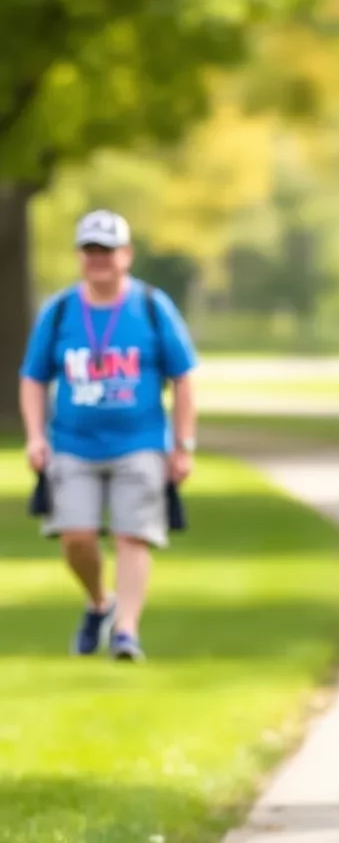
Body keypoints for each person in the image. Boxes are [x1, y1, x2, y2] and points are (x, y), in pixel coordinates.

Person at [19, 210, 198, 661]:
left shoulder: (153, 307)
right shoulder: (59, 311)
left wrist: (183, 444)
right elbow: (33, 376)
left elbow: (184, 377)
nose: (99, 259)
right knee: (75, 537)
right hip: (73, 444)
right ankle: (100, 601)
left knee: (131, 536)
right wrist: (36, 436)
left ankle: (126, 631)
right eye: (90, 250)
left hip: (139, 443)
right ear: (80, 256)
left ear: (127, 255)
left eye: (107, 250)